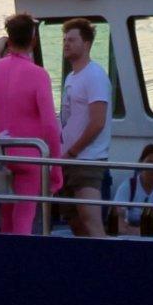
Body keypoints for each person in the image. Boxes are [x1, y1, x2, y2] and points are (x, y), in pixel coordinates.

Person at [0, 12, 63, 233]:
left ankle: (6, 263)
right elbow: (50, 127)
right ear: (33, 41)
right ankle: (21, 263)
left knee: (5, 218)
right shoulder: (38, 75)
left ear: (8, 39)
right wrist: (56, 169)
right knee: (25, 217)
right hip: (29, 155)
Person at [57, 18, 112, 236]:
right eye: (64, 40)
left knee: (91, 221)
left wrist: (72, 151)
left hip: (87, 160)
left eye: (72, 40)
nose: (66, 44)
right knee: (75, 222)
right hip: (69, 161)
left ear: (87, 44)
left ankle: (105, 265)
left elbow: (97, 121)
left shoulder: (95, 75)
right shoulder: (71, 77)